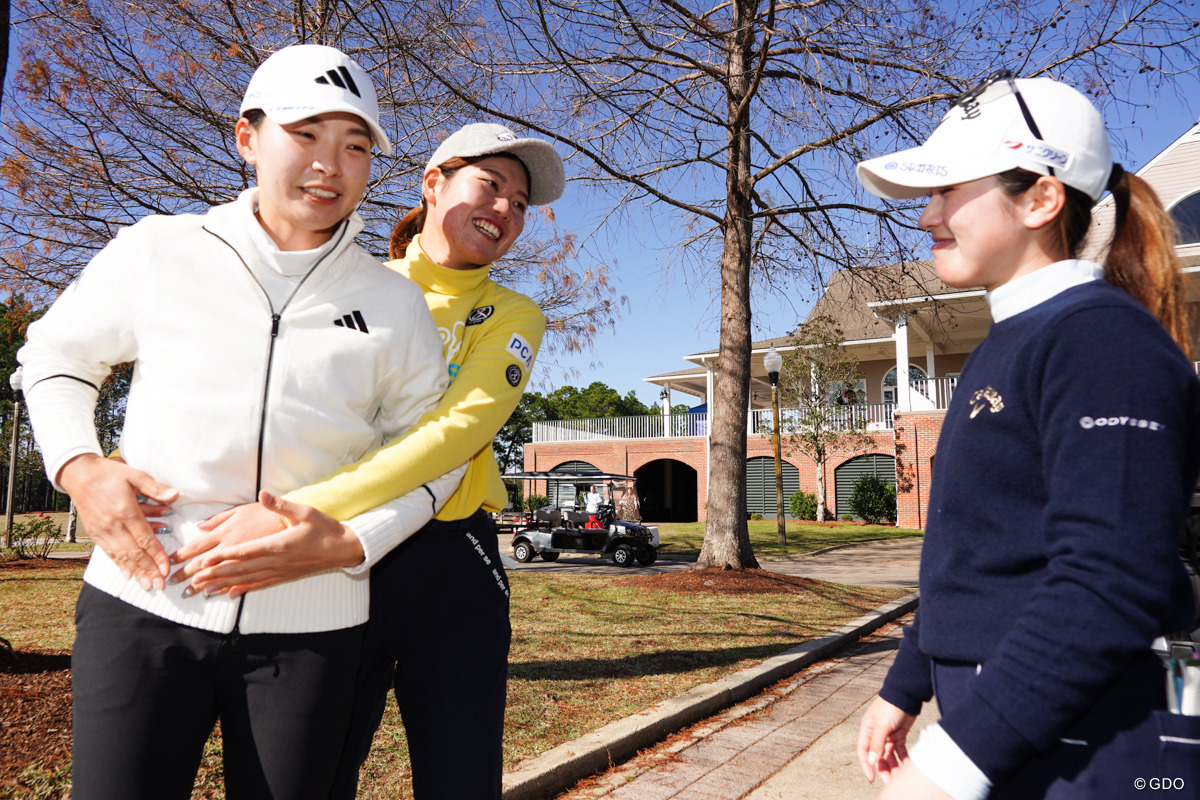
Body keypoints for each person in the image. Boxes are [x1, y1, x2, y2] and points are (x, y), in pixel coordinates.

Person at [17, 44, 461, 800]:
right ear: (247, 137)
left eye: (356, 146)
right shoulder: (160, 249)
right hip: (141, 603)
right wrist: (77, 466)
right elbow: (54, 358)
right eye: (307, 133)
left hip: (315, 628)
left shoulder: (394, 304)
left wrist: (355, 538)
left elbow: (433, 456)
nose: (331, 163)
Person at [167, 122, 566, 799]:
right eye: (491, 185)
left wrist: (314, 515)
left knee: (461, 778)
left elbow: (456, 433)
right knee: (314, 772)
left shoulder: (513, 313)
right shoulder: (352, 283)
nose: (505, 209)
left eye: (521, 203)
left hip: (450, 563)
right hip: (330, 564)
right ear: (433, 184)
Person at [853, 71, 1200, 799]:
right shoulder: (1012, 342)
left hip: (1093, 746)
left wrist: (950, 766)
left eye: (949, 191)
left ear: (1041, 197)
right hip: (1019, 731)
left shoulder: (1104, 342)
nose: (926, 217)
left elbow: (1110, 580)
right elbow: (979, 552)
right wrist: (906, 685)